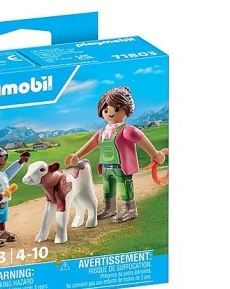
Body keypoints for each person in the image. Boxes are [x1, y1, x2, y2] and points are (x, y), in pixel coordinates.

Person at [65, 86, 164, 223]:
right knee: (107, 187)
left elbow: (141, 139)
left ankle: (130, 209)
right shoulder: (102, 132)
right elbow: (92, 143)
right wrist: (77, 155)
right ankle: (109, 208)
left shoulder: (127, 130)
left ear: (126, 109)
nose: (110, 113)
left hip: (121, 167)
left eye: (116, 109)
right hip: (106, 167)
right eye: (106, 110)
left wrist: (155, 154)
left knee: (125, 186)